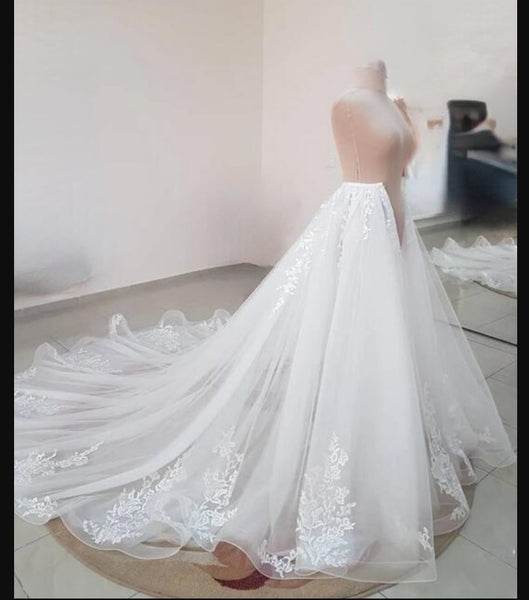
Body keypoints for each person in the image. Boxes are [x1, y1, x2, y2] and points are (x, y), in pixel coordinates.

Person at [14, 59, 515, 585]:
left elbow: (400, 172)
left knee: (386, 341)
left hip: (395, 229)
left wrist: (401, 220)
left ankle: (381, 416)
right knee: (348, 328)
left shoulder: (395, 105)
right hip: (361, 228)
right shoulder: (349, 104)